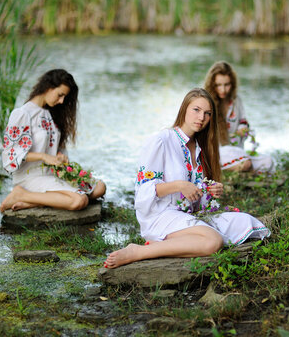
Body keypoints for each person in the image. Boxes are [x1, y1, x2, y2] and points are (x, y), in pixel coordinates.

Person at [103, 88, 269, 269]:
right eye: (196, 110)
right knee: (213, 241)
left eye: (207, 113)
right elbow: (144, 190)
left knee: (245, 221)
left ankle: (188, 238)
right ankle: (139, 251)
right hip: (161, 215)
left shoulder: (201, 148)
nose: (201, 118)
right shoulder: (162, 140)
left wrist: (210, 190)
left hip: (186, 215)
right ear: (184, 109)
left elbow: (196, 201)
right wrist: (179, 185)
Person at [0, 69, 106, 212]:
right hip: (30, 177)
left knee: (99, 187)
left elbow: (54, 149)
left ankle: (32, 201)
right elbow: (10, 155)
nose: (62, 101)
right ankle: (21, 193)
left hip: (52, 173)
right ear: (48, 87)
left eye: (64, 97)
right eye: (60, 95)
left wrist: (60, 157)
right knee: (79, 200)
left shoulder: (52, 114)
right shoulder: (23, 114)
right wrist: (43, 156)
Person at [204, 61, 274, 173]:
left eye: (227, 84)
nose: (223, 89)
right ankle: (221, 168)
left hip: (237, 151)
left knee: (268, 161)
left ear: (232, 84)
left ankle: (236, 169)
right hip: (217, 153)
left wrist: (242, 128)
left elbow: (243, 120)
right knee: (246, 163)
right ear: (212, 84)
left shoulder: (236, 101)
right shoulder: (207, 103)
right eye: (218, 85)